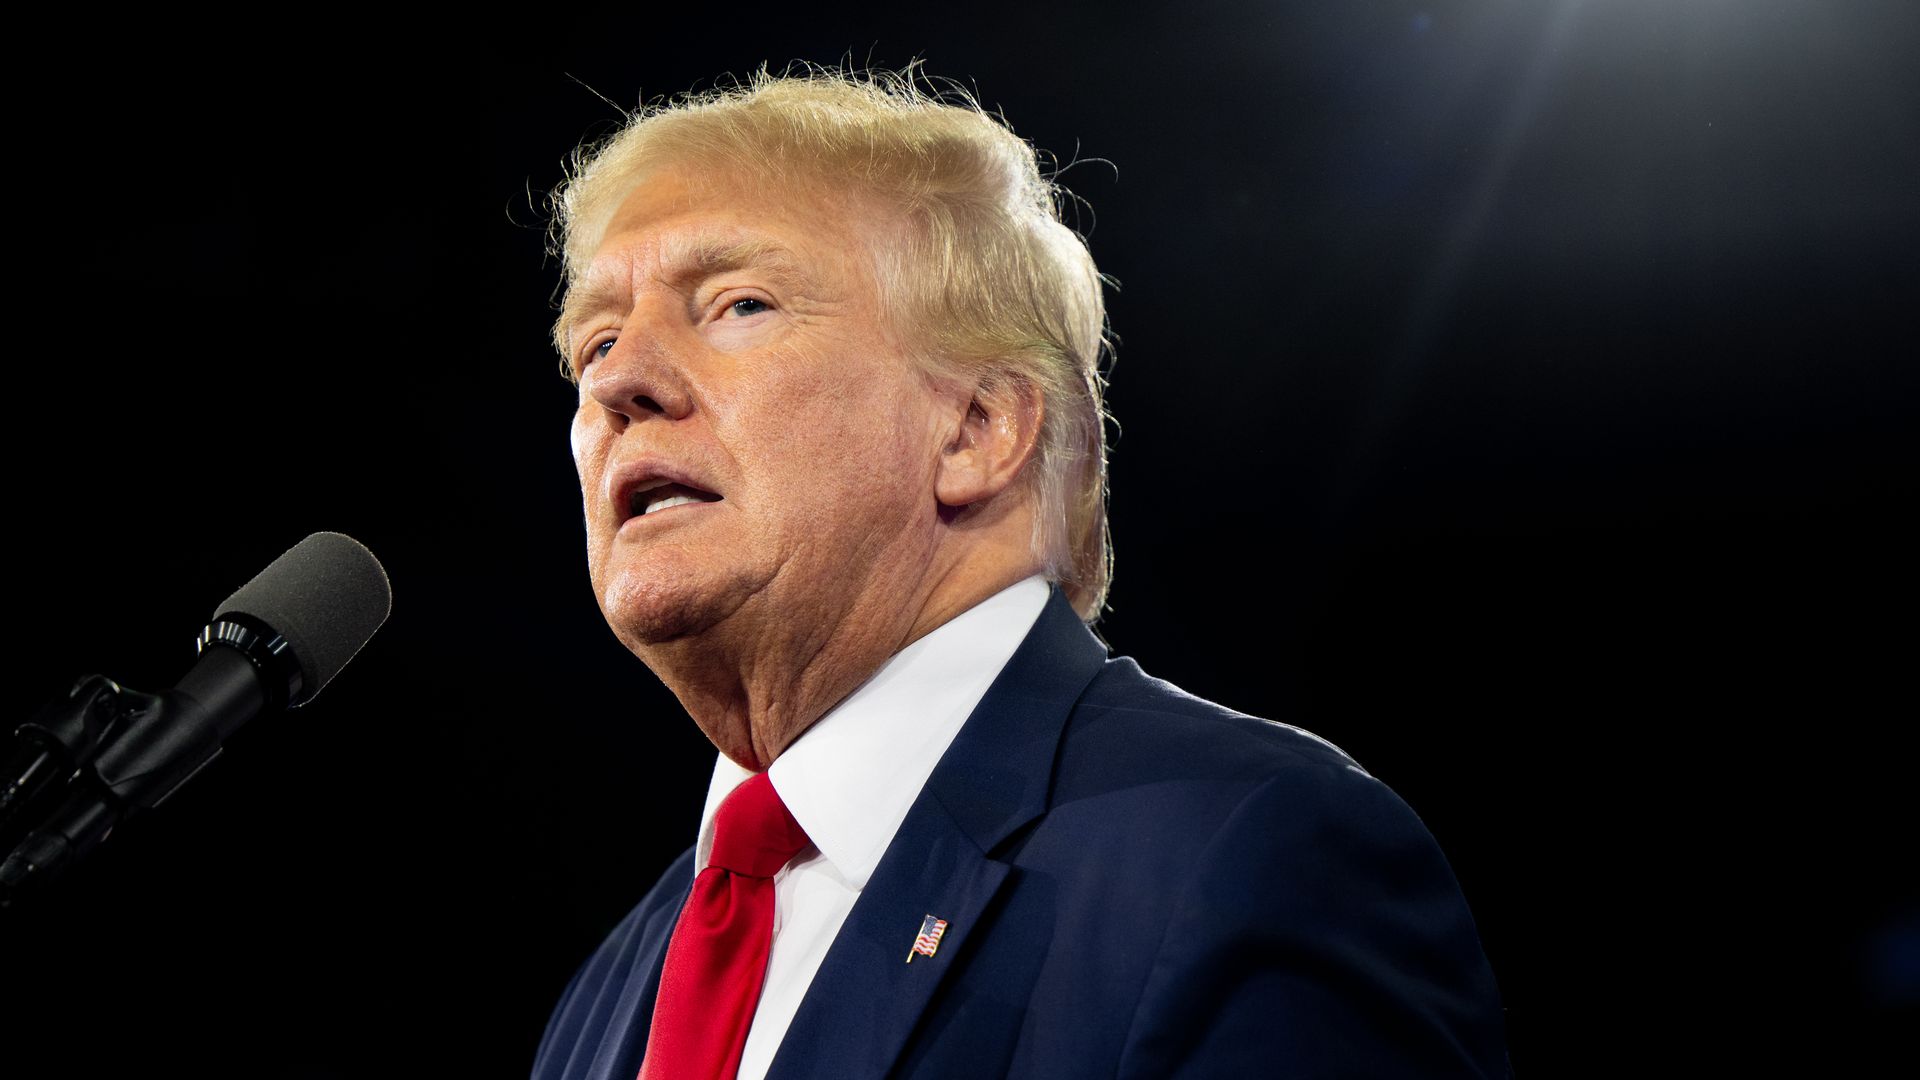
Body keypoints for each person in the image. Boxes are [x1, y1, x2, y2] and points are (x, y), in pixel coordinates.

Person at [532, 68, 1507, 1080]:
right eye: (595, 342)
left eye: (739, 304)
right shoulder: (612, 994)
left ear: (978, 428)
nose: (618, 379)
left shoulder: (1249, 854)